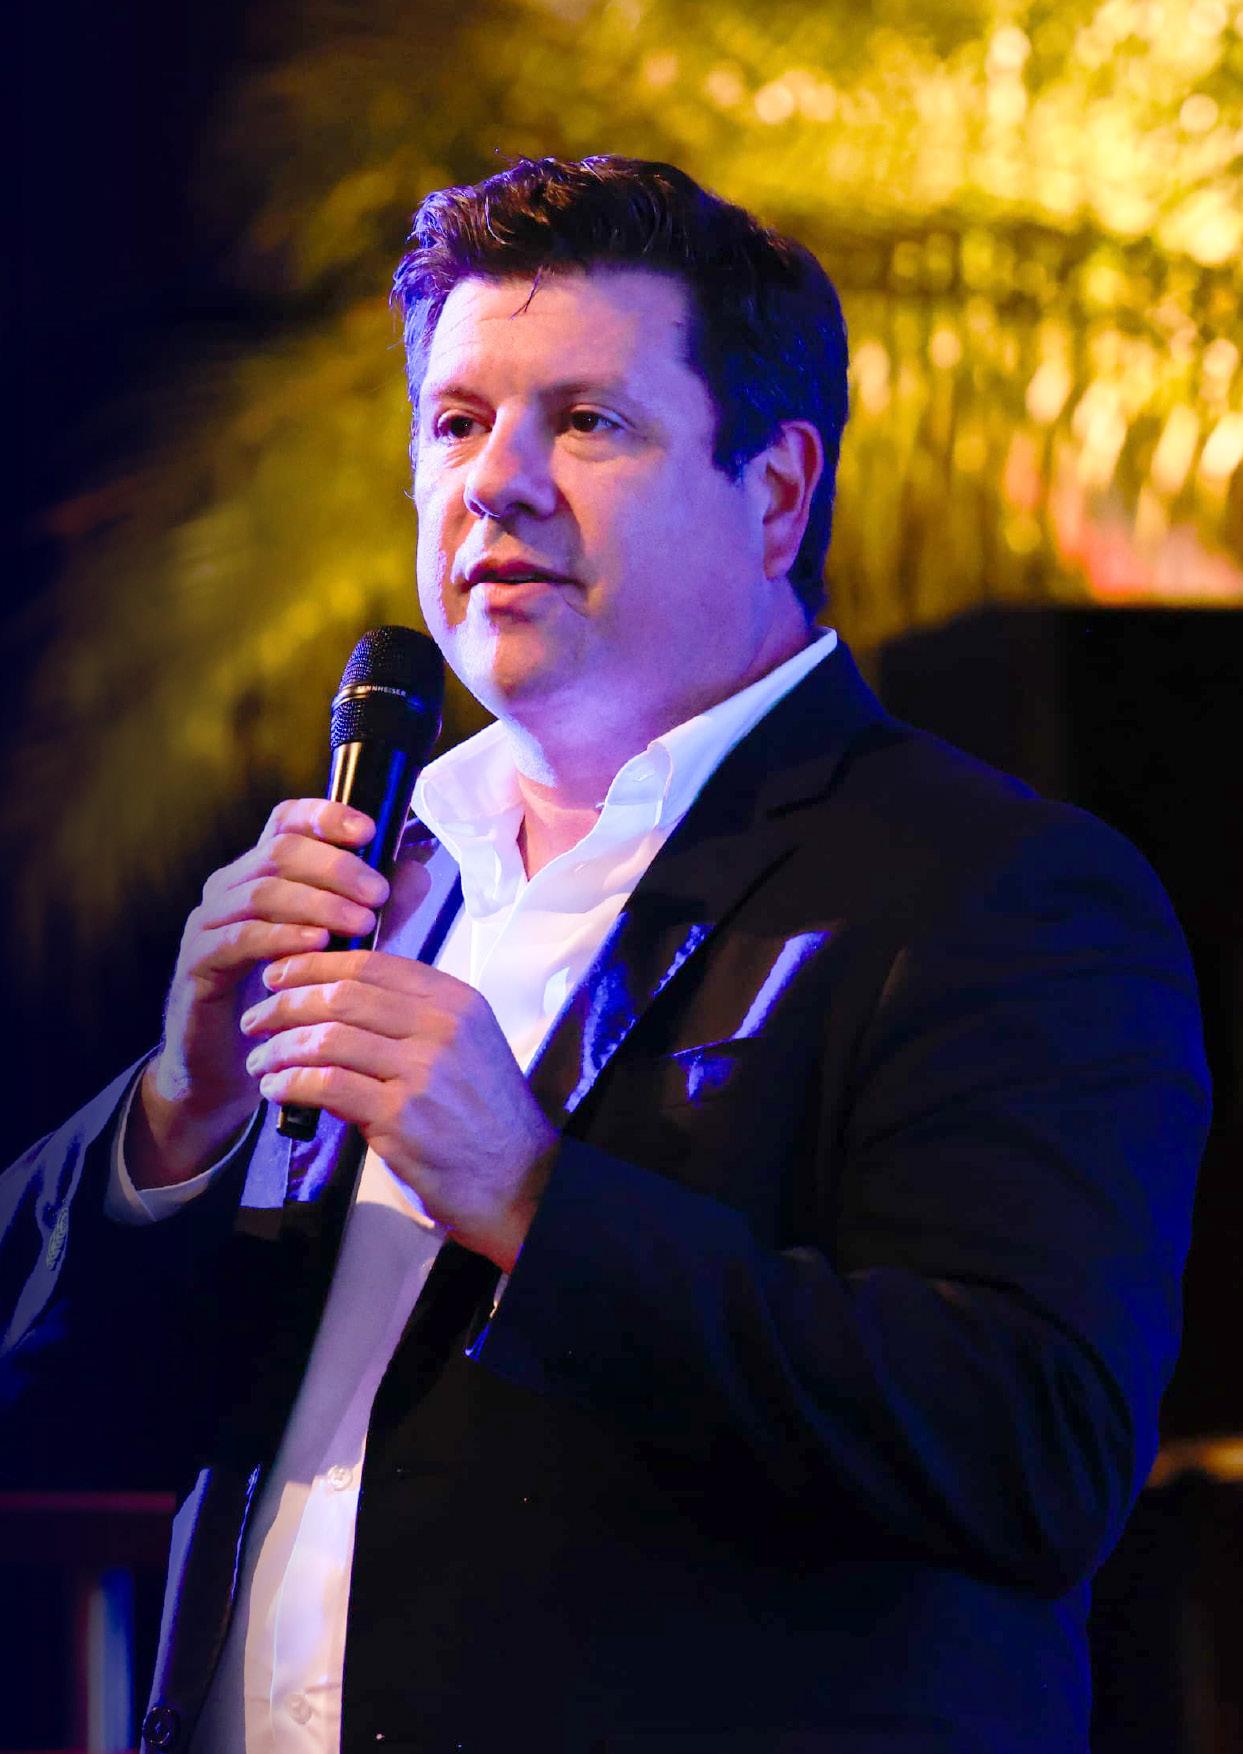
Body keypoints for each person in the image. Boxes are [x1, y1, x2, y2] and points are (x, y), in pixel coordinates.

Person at [0, 156, 1209, 1754]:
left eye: (586, 421)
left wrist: (533, 1195)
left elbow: (1033, 1450)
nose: (494, 482)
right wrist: (175, 1113)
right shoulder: (386, 873)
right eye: (455, 423)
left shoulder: (996, 892)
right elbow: (63, 1400)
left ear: (776, 493)